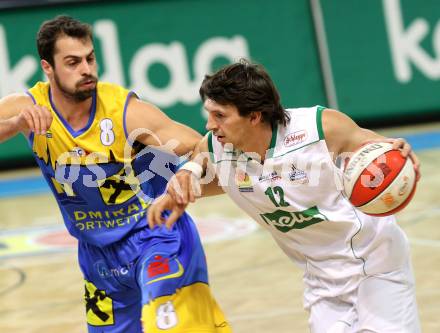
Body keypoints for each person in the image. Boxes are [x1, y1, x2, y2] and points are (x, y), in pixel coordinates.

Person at [148, 59, 422, 332]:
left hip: (377, 263)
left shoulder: (319, 129)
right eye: (209, 114)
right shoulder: (218, 148)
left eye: (220, 116)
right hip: (322, 281)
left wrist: (399, 158)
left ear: (254, 116)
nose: (209, 125)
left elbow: (372, 146)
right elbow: (202, 152)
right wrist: (188, 175)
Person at [0, 15, 232, 333]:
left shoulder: (125, 111)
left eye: (90, 58)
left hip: (155, 236)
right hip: (97, 256)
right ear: (47, 68)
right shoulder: (30, 108)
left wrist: (190, 171)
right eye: (73, 62)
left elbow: (202, 144)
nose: (86, 69)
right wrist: (15, 125)